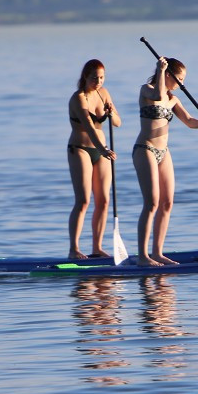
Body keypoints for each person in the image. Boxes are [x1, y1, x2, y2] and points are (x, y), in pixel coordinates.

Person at [133, 56, 198, 266]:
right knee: (151, 203)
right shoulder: (147, 90)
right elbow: (158, 94)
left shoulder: (174, 99)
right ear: (167, 75)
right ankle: (143, 256)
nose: (182, 84)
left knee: (167, 203)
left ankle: (157, 253)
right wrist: (160, 69)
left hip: (164, 152)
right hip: (145, 149)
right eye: (179, 79)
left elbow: (189, 122)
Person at [67, 59, 121, 259]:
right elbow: (89, 127)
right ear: (84, 77)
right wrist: (103, 149)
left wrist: (111, 112)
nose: (98, 82)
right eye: (94, 78)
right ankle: (74, 250)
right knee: (83, 200)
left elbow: (117, 123)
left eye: (101, 77)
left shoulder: (104, 93)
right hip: (80, 149)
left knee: (104, 201)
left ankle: (97, 248)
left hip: (102, 151)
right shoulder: (78, 98)